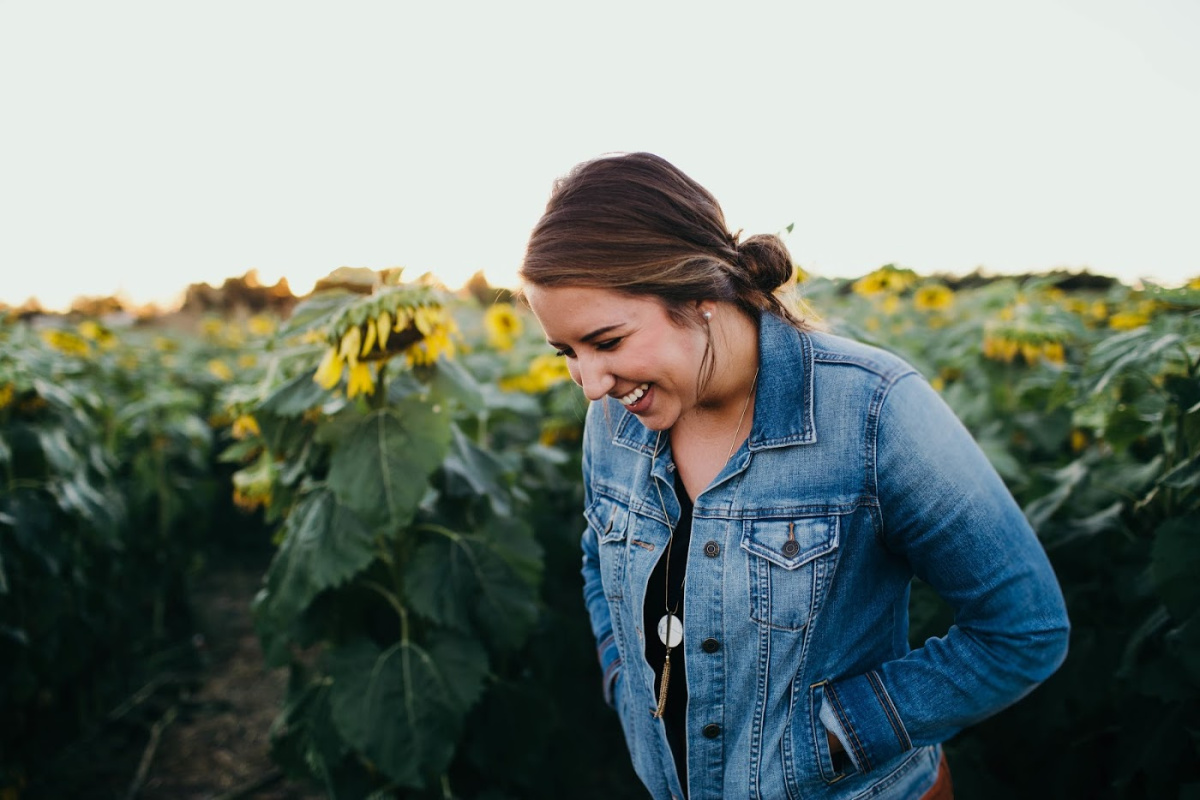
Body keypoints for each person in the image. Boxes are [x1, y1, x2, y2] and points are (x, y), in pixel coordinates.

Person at [518, 152, 1069, 800]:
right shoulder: (615, 418)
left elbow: (1022, 628)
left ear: (698, 297)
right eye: (567, 354)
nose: (589, 384)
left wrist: (834, 734)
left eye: (606, 342)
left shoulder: (870, 409)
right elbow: (596, 554)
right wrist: (626, 679)